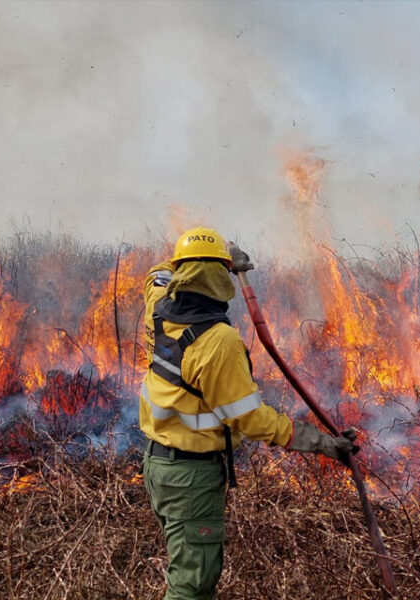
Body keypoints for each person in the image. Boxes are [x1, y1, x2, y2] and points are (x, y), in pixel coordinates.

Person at [139, 226, 356, 600]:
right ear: (220, 279)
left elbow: (157, 274)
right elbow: (251, 420)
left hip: (158, 467)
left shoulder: (159, 307)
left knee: (187, 568)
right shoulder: (219, 342)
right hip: (191, 478)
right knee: (193, 583)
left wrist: (207, 254)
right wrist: (322, 442)